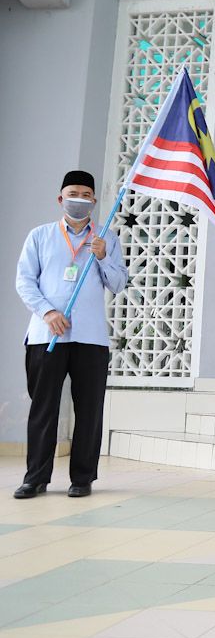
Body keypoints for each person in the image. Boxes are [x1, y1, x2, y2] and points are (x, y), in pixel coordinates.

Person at [14, 170, 128, 499]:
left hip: (90, 338)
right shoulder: (40, 236)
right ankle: (35, 478)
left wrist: (103, 257)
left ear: (94, 200)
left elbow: (118, 284)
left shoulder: (107, 238)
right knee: (43, 409)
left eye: (85, 195)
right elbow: (24, 281)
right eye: (72, 194)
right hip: (46, 336)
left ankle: (82, 478)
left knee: (89, 410)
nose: (79, 200)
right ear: (60, 199)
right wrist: (48, 312)